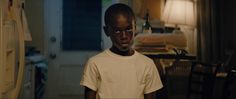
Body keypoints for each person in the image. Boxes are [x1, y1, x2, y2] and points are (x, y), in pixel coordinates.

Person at [80, 3, 163, 99]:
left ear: (135, 27)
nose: (124, 36)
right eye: (117, 31)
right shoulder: (94, 64)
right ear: (107, 31)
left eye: (128, 29)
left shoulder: (147, 65)